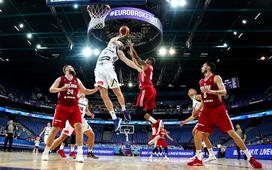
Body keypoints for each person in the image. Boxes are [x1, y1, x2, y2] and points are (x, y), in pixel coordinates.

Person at [187, 62, 262, 168]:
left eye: (203, 66)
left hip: (218, 109)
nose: (201, 67)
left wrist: (211, 91)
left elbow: (224, 91)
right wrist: (198, 110)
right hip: (207, 110)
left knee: (232, 133)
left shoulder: (216, 77)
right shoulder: (201, 81)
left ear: (208, 67)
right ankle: (198, 158)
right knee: (197, 131)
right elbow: (204, 99)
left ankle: (250, 158)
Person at [41, 65, 98, 163]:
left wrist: (95, 89)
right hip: (62, 107)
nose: (74, 69)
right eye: (71, 68)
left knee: (79, 127)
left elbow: (85, 91)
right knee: (55, 129)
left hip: (74, 107)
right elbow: (51, 89)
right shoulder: (60, 79)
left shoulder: (77, 80)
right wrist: (61, 89)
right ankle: (46, 152)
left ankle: (79, 154)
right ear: (66, 70)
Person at [94, 35, 142, 131]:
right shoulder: (110, 45)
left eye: (120, 44)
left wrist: (138, 68)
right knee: (103, 95)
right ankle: (115, 119)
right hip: (98, 69)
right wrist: (122, 35)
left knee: (117, 92)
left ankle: (124, 110)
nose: (119, 42)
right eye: (119, 42)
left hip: (108, 69)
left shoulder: (118, 52)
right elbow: (113, 39)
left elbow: (127, 61)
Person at [50, 93, 98, 159]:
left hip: (81, 120)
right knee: (62, 137)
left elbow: (86, 110)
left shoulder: (86, 100)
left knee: (91, 134)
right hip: (71, 118)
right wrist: (78, 97)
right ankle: (48, 150)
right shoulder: (74, 96)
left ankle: (89, 152)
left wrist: (90, 114)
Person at [180, 88, 216, 162]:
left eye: (191, 90)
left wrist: (199, 108)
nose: (189, 91)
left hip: (207, 116)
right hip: (204, 118)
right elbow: (193, 116)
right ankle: (211, 155)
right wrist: (184, 122)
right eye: (188, 90)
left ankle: (199, 154)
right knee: (204, 136)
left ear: (195, 92)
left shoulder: (197, 96)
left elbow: (205, 98)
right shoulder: (193, 102)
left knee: (196, 132)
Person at [127, 40, 157, 118]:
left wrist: (131, 46)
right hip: (151, 89)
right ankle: (156, 126)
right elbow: (136, 63)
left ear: (149, 62)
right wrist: (132, 56)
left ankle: (155, 123)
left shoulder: (146, 65)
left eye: (147, 60)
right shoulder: (147, 68)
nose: (145, 60)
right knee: (149, 111)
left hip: (146, 88)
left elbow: (137, 58)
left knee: (138, 110)